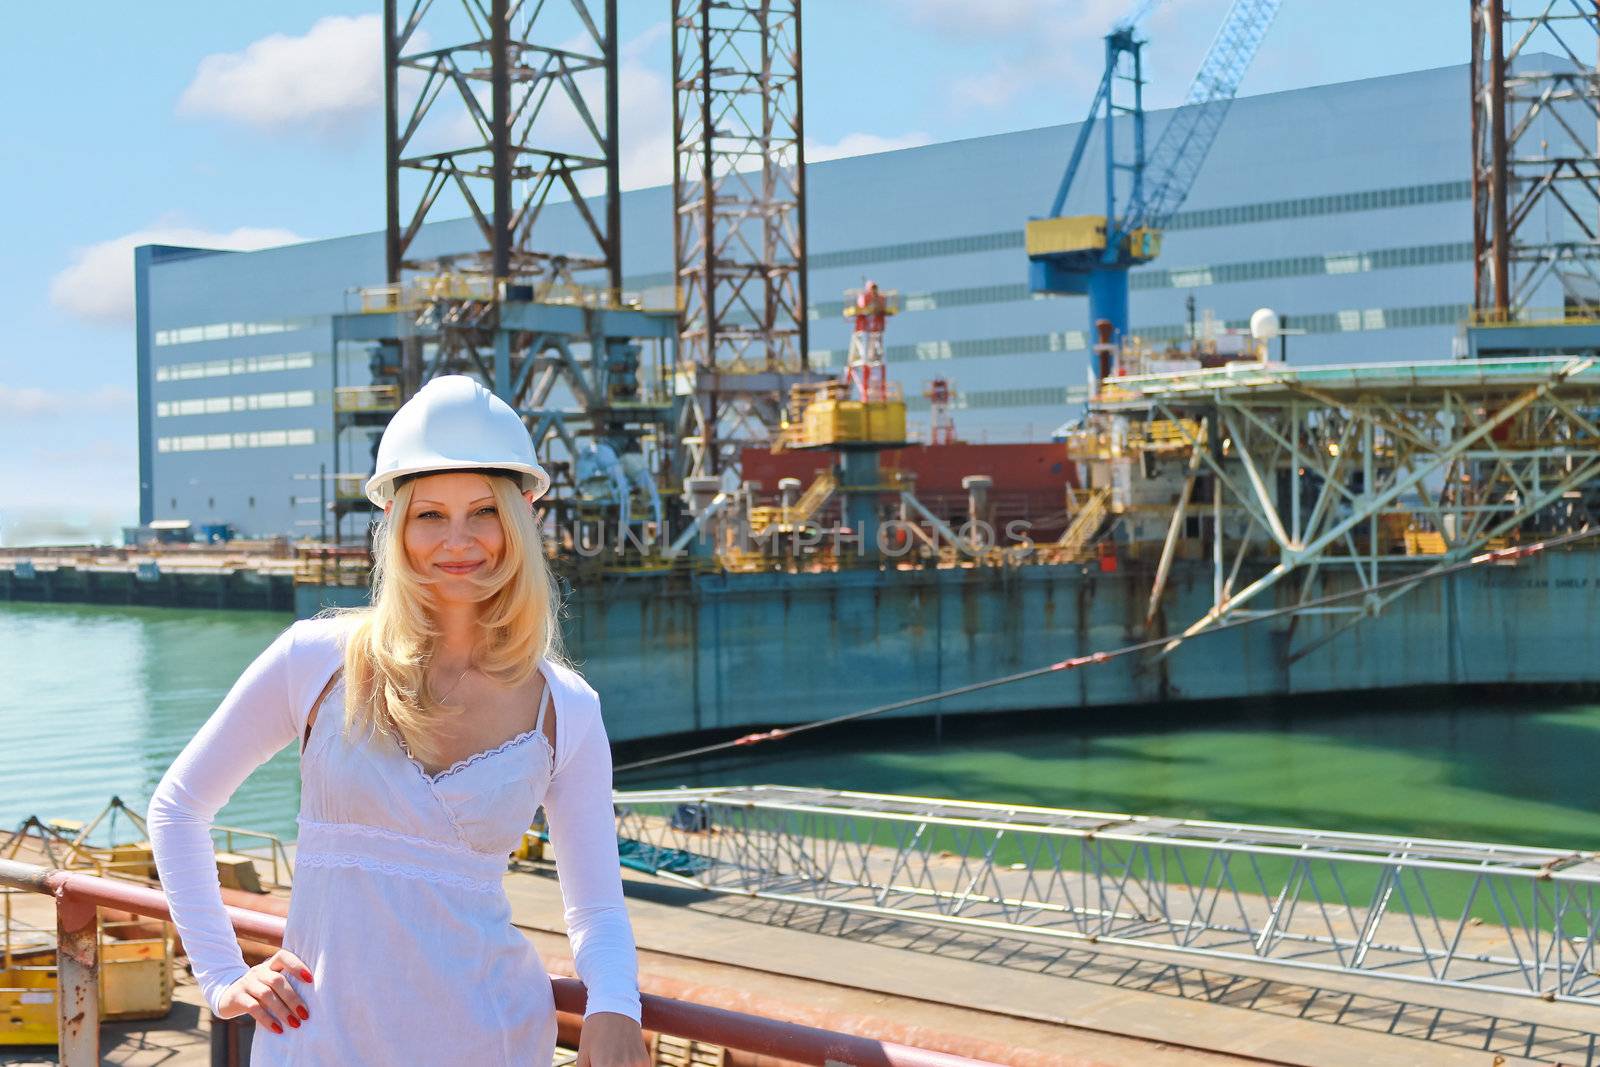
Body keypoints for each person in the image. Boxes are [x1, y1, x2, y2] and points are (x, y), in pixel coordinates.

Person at [147, 376, 649, 1067]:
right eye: (430, 515)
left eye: (484, 510)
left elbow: (595, 908)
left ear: (520, 518)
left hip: (493, 1040)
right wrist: (222, 974)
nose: (458, 540)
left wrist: (616, 1006)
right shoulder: (316, 661)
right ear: (396, 524)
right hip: (317, 1045)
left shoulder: (566, 706)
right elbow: (178, 808)